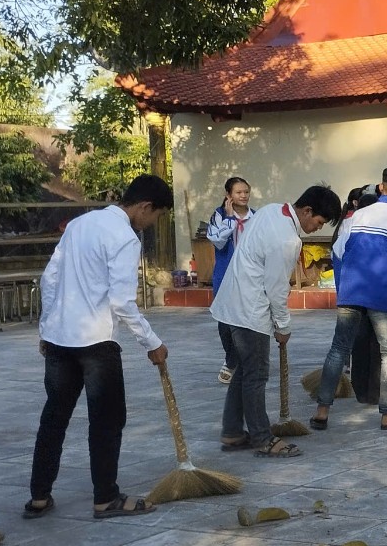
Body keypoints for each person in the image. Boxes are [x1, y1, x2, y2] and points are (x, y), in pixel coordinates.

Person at [25, 174, 174, 520]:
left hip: (60, 339)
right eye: (156, 215)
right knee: (106, 421)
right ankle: (105, 498)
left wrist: (47, 328)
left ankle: (39, 496)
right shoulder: (125, 237)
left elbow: (49, 278)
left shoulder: (79, 224)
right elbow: (122, 301)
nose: (152, 223)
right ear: (145, 207)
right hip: (96, 343)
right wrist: (151, 342)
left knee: (54, 418)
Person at [213, 186, 342, 458]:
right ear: (307, 211)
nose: (316, 228)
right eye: (318, 222)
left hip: (233, 302)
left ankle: (233, 431)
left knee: (244, 370)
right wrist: (283, 326)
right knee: (256, 375)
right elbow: (276, 288)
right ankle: (262, 438)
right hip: (251, 310)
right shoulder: (287, 240)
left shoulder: (270, 210)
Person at [313, 166, 387, 430]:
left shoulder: (358, 215)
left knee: (339, 349)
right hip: (382, 292)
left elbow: (338, 251)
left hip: (352, 290)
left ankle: (321, 411)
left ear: (381, 187)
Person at [207, 177, 254, 384]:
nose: (243, 196)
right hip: (225, 274)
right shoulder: (219, 215)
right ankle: (231, 358)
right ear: (228, 195)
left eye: (246, 192)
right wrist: (229, 220)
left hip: (249, 275)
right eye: (238, 192)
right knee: (225, 320)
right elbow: (217, 241)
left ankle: (241, 359)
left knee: (247, 318)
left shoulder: (255, 217)